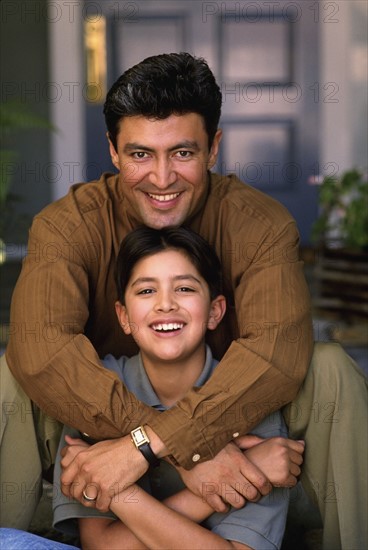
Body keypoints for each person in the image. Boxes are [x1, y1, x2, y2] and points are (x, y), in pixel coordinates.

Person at [1, 52, 366, 549]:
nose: (162, 177)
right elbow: (41, 349)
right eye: (139, 154)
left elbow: (275, 357)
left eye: (182, 153)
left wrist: (153, 445)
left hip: (244, 427)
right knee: (10, 375)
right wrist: (171, 445)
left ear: (213, 147)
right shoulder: (67, 227)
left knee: (329, 369)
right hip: (101, 422)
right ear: (112, 150)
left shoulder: (260, 224)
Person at [53, 225, 304, 550]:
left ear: (215, 311)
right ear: (124, 316)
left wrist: (112, 486)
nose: (165, 304)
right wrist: (249, 472)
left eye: (184, 288)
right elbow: (101, 545)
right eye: (146, 291)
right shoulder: (99, 388)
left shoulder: (250, 400)